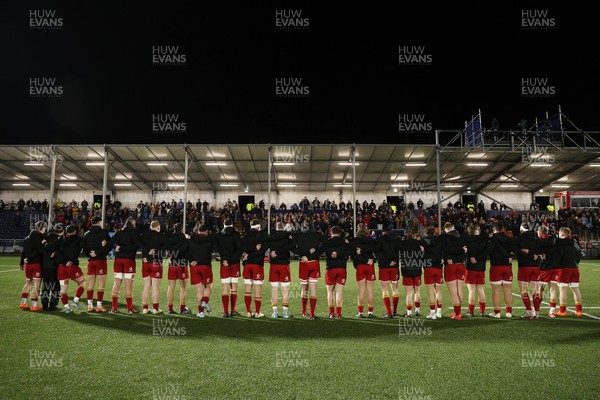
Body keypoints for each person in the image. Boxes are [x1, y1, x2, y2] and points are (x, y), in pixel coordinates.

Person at [375, 226, 421, 318]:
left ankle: (389, 313)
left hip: (384, 266)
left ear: (383, 232)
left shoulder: (381, 239)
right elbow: (404, 247)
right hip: (395, 267)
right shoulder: (397, 239)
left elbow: (377, 252)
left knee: (385, 290)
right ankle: (394, 311)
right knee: (395, 289)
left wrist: (388, 261)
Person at [101, 217, 144, 314]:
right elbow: (137, 246)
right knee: (128, 286)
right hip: (129, 261)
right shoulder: (134, 233)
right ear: (133, 224)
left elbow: (109, 245)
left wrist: (100, 252)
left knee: (116, 284)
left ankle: (114, 308)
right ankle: (129, 309)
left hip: (118, 260)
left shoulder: (119, 232)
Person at [138, 220, 180, 315]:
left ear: (150, 226)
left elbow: (141, 245)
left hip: (145, 262)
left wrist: (146, 255)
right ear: (158, 227)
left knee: (146, 286)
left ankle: (145, 308)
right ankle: (155, 309)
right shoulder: (160, 236)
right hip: (156, 263)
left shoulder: (144, 235)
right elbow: (167, 244)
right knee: (155, 287)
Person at [476, 222, 516, 318]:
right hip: (507, 267)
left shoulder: (492, 239)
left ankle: (497, 312)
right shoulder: (508, 239)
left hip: (496, 267)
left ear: (494, 230)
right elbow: (514, 249)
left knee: (496, 291)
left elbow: (487, 251)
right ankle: (509, 312)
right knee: (508, 290)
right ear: (502, 229)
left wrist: (476, 258)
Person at [293, 220, 326, 319]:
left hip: (303, 263)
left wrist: (302, 254)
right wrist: (314, 254)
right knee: (313, 289)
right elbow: (326, 244)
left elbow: (291, 247)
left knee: (304, 289)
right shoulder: (317, 235)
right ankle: (312, 314)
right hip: (314, 263)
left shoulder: (299, 236)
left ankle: (304, 311)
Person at [266, 222, 296, 318]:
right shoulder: (287, 237)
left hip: (274, 265)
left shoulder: (271, 237)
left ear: (275, 227)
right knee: (285, 289)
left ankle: (274, 312)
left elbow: (264, 246)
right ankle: (285, 312)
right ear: (284, 228)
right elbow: (293, 245)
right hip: (284, 265)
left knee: (274, 289)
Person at [324, 226, 355, 319]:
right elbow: (352, 251)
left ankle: (331, 313)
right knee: (339, 292)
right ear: (340, 233)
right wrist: (347, 245)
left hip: (330, 268)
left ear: (331, 232)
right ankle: (338, 314)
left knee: (330, 291)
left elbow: (322, 251)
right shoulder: (344, 242)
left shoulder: (328, 242)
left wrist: (332, 254)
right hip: (341, 268)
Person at [439, 222, 468, 320]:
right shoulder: (462, 237)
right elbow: (465, 251)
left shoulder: (444, 238)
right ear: (454, 227)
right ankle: (457, 312)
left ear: (445, 229)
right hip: (460, 265)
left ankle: (458, 314)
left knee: (453, 292)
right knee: (459, 289)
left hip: (450, 266)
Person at [81, 216, 111, 312]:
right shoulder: (104, 232)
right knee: (101, 285)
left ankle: (90, 305)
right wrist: (103, 250)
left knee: (90, 284)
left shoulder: (86, 234)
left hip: (91, 261)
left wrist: (90, 254)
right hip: (101, 260)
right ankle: (99, 305)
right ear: (99, 222)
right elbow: (109, 246)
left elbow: (84, 248)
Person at [187, 224, 217, 318]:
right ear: (206, 232)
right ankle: (205, 301)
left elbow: (186, 251)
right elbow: (213, 251)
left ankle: (201, 312)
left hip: (194, 267)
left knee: (199, 290)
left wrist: (191, 260)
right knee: (208, 286)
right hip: (205, 266)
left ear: (198, 231)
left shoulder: (190, 241)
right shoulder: (209, 241)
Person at [530, 225, 559, 319]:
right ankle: (552, 311)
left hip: (545, 268)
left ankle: (536, 309)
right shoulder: (553, 239)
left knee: (540, 289)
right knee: (553, 289)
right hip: (555, 266)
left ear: (539, 232)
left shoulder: (538, 241)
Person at [215, 218, 243, 317]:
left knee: (225, 289)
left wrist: (224, 259)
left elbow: (216, 247)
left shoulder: (219, 235)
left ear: (224, 224)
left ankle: (225, 311)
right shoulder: (236, 234)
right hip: (234, 263)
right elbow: (240, 249)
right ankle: (232, 311)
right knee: (234, 289)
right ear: (232, 224)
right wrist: (231, 261)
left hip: (224, 264)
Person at [240, 219, 268, 318]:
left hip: (247, 265)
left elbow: (243, 250)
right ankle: (257, 312)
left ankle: (248, 312)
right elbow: (263, 250)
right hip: (257, 265)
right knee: (257, 289)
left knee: (247, 289)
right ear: (258, 227)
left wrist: (248, 255)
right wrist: (254, 252)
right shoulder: (262, 236)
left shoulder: (244, 237)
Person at [512, 222, 540, 319]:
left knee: (524, 290)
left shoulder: (519, 239)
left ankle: (529, 311)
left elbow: (516, 251)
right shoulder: (536, 238)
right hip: (536, 267)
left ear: (521, 229)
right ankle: (537, 313)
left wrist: (529, 254)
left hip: (524, 267)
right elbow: (541, 252)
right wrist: (533, 255)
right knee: (536, 291)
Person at [56, 225, 86, 314]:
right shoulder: (78, 239)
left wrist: (64, 262)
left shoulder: (61, 239)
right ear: (75, 232)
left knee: (63, 290)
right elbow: (86, 247)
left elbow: (57, 252)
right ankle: (75, 301)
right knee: (82, 282)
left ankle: (67, 308)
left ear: (66, 231)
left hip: (61, 267)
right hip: (72, 266)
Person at [19, 220, 47, 311]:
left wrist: (22, 263)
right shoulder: (40, 238)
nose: (45, 230)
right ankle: (34, 305)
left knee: (27, 283)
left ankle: (23, 303)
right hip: (36, 264)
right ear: (41, 228)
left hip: (28, 264)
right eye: (44, 228)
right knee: (36, 285)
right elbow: (38, 251)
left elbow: (23, 251)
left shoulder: (27, 238)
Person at [555, 227, 583, 317]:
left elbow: (558, 256)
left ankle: (562, 311)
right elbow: (579, 256)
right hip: (575, 268)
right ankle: (579, 311)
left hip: (564, 269)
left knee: (562, 290)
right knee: (576, 290)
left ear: (562, 234)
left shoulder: (560, 244)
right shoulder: (575, 244)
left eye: (559, 234)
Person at [351, 223, 377, 318]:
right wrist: (371, 260)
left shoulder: (355, 241)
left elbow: (354, 255)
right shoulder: (371, 240)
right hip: (370, 265)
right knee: (370, 290)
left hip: (360, 266)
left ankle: (360, 312)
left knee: (361, 290)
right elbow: (375, 250)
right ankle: (370, 312)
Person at [165, 224, 191, 315]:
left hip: (172, 264)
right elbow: (186, 250)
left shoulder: (170, 238)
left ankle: (170, 309)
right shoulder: (184, 239)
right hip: (182, 264)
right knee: (183, 288)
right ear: (182, 229)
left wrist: (171, 257)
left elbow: (167, 250)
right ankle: (182, 308)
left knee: (170, 287)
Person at [419, 226, 444, 319]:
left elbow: (421, 255)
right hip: (438, 267)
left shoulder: (422, 241)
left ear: (425, 233)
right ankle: (439, 313)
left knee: (430, 292)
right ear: (434, 232)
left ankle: (433, 314)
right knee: (438, 291)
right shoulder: (439, 240)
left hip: (428, 268)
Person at [463, 224, 487, 317]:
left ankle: (471, 311)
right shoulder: (484, 241)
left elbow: (465, 254)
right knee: (481, 290)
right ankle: (482, 312)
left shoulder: (467, 242)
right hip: (481, 268)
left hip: (470, 268)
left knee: (471, 291)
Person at [399, 233, 423, 318]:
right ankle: (417, 311)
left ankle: (409, 313)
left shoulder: (402, 244)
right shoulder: (418, 243)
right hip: (417, 269)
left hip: (407, 271)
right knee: (417, 291)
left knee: (409, 293)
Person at [41, 226, 62, 311]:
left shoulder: (44, 238)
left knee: (46, 286)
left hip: (45, 266)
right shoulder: (58, 239)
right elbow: (60, 251)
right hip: (54, 266)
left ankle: (44, 305)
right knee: (55, 287)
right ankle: (53, 305)